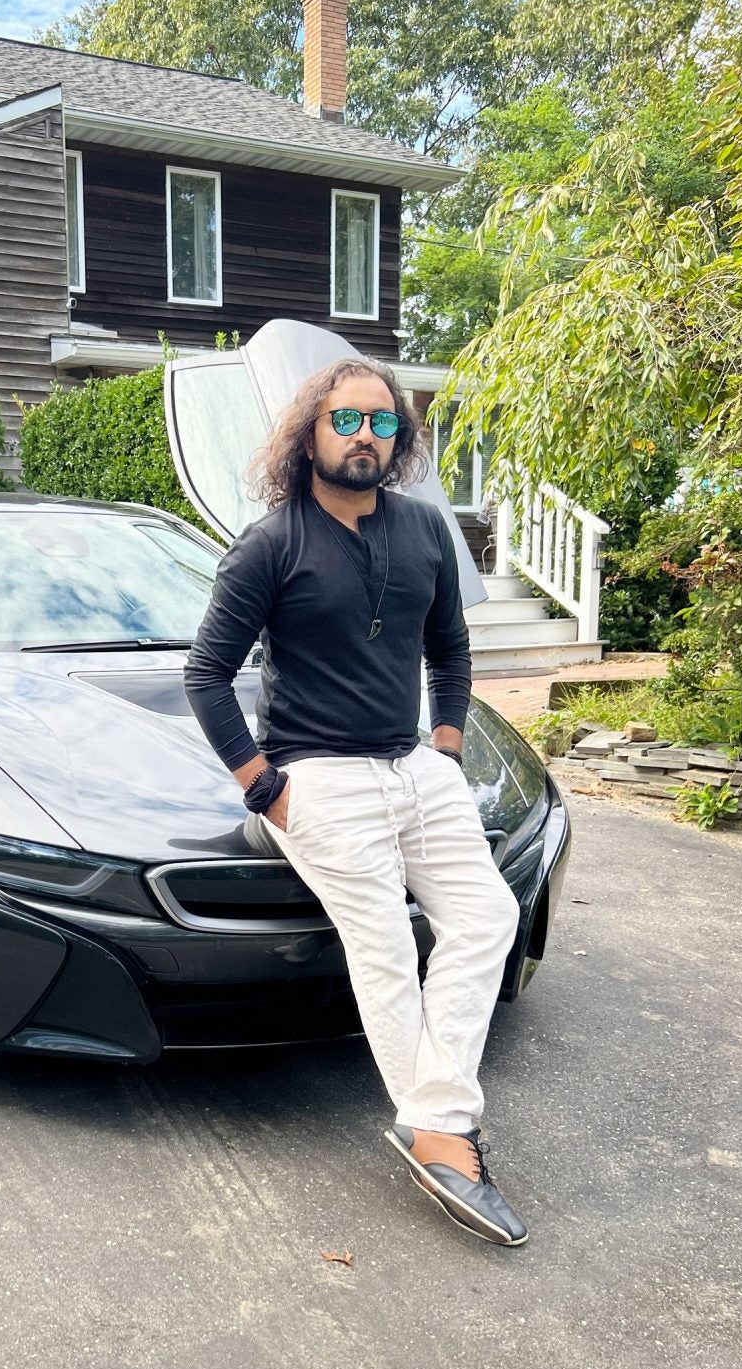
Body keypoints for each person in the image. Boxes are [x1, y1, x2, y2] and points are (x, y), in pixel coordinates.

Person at [183, 355, 527, 1246]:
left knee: (488, 916)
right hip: (319, 778)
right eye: (345, 419)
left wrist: (446, 747)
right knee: (384, 947)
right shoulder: (270, 544)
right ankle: (447, 1137)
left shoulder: (424, 529)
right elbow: (207, 674)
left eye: (382, 422)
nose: (364, 435)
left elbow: (450, 649)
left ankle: (432, 1115)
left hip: (414, 765)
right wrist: (263, 788)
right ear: (309, 434)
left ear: (399, 439)